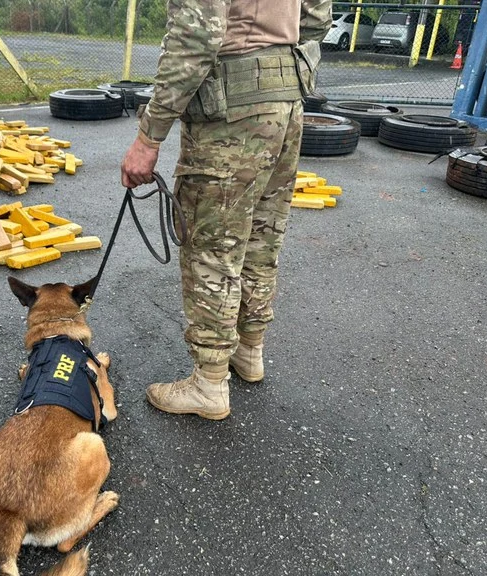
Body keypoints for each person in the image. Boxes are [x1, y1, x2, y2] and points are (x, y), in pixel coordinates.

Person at [121, 0, 333, 420]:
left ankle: (209, 383)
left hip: (231, 112)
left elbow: (197, 36)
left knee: (212, 247)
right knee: (261, 236)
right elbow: (316, 15)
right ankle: (249, 351)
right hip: (286, 103)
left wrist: (149, 136)